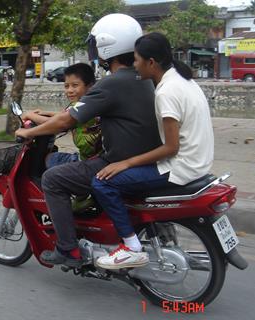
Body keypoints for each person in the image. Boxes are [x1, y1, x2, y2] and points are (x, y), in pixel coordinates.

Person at [15, 14, 161, 268]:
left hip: (118, 160)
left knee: (53, 178)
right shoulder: (141, 78)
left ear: (107, 46)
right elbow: (71, 114)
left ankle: (67, 250)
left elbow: (66, 121)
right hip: (144, 156)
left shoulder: (111, 83)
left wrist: (28, 132)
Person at [92, 32, 214, 269]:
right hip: (199, 163)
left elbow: (170, 147)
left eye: (137, 59)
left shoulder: (166, 92)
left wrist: (126, 163)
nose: (134, 64)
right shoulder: (185, 80)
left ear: (151, 63)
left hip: (180, 168)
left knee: (102, 182)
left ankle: (131, 247)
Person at [21, 63, 102, 168]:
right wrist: (45, 112)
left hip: (88, 162)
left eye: (75, 85)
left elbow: (58, 123)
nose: (69, 90)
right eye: (66, 86)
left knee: (49, 160)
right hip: (92, 158)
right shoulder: (89, 101)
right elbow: (65, 115)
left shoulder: (85, 104)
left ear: (90, 86)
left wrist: (28, 118)